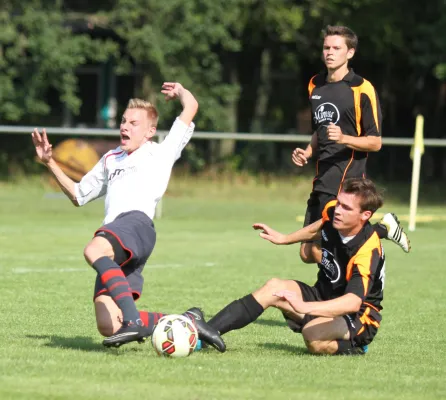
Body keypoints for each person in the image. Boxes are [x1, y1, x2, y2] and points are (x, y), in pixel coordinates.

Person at [32, 82, 226, 352]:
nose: (125, 126)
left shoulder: (160, 151)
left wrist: (180, 91)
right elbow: (78, 196)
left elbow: (191, 106)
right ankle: (188, 322)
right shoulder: (111, 158)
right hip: (117, 234)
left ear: (150, 131)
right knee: (109, 324)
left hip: (136, 225)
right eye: (123, 121)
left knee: (93, 249)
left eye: (133, 123)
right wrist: (49, 162)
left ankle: (134, 319)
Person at [207, 178, 386, 355]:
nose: (338, 210)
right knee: (274, 287)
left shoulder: (367, 250)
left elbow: (353, 302)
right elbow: (317, 227)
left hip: (359, 317)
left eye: (346, 208)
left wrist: (303, 307)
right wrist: (284, 239)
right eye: (339, 203)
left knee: (312, 334)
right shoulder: (333, 211)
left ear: (365, 215)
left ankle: (355, 345)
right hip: (323, 296)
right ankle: (206, 333)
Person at [292, 25, 410, 263]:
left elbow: (375, 142)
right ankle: (382, 230)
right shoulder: (315, 84)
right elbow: (320, 130)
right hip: (322, 174)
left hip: (346, 175)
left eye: (337, 48)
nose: (330, 52)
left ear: (350, 53)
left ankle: (339, 293)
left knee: (329, 244)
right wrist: (307, 152)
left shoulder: (361, 88)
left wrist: (344, 138)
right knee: (308, 253)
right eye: (326, 47)